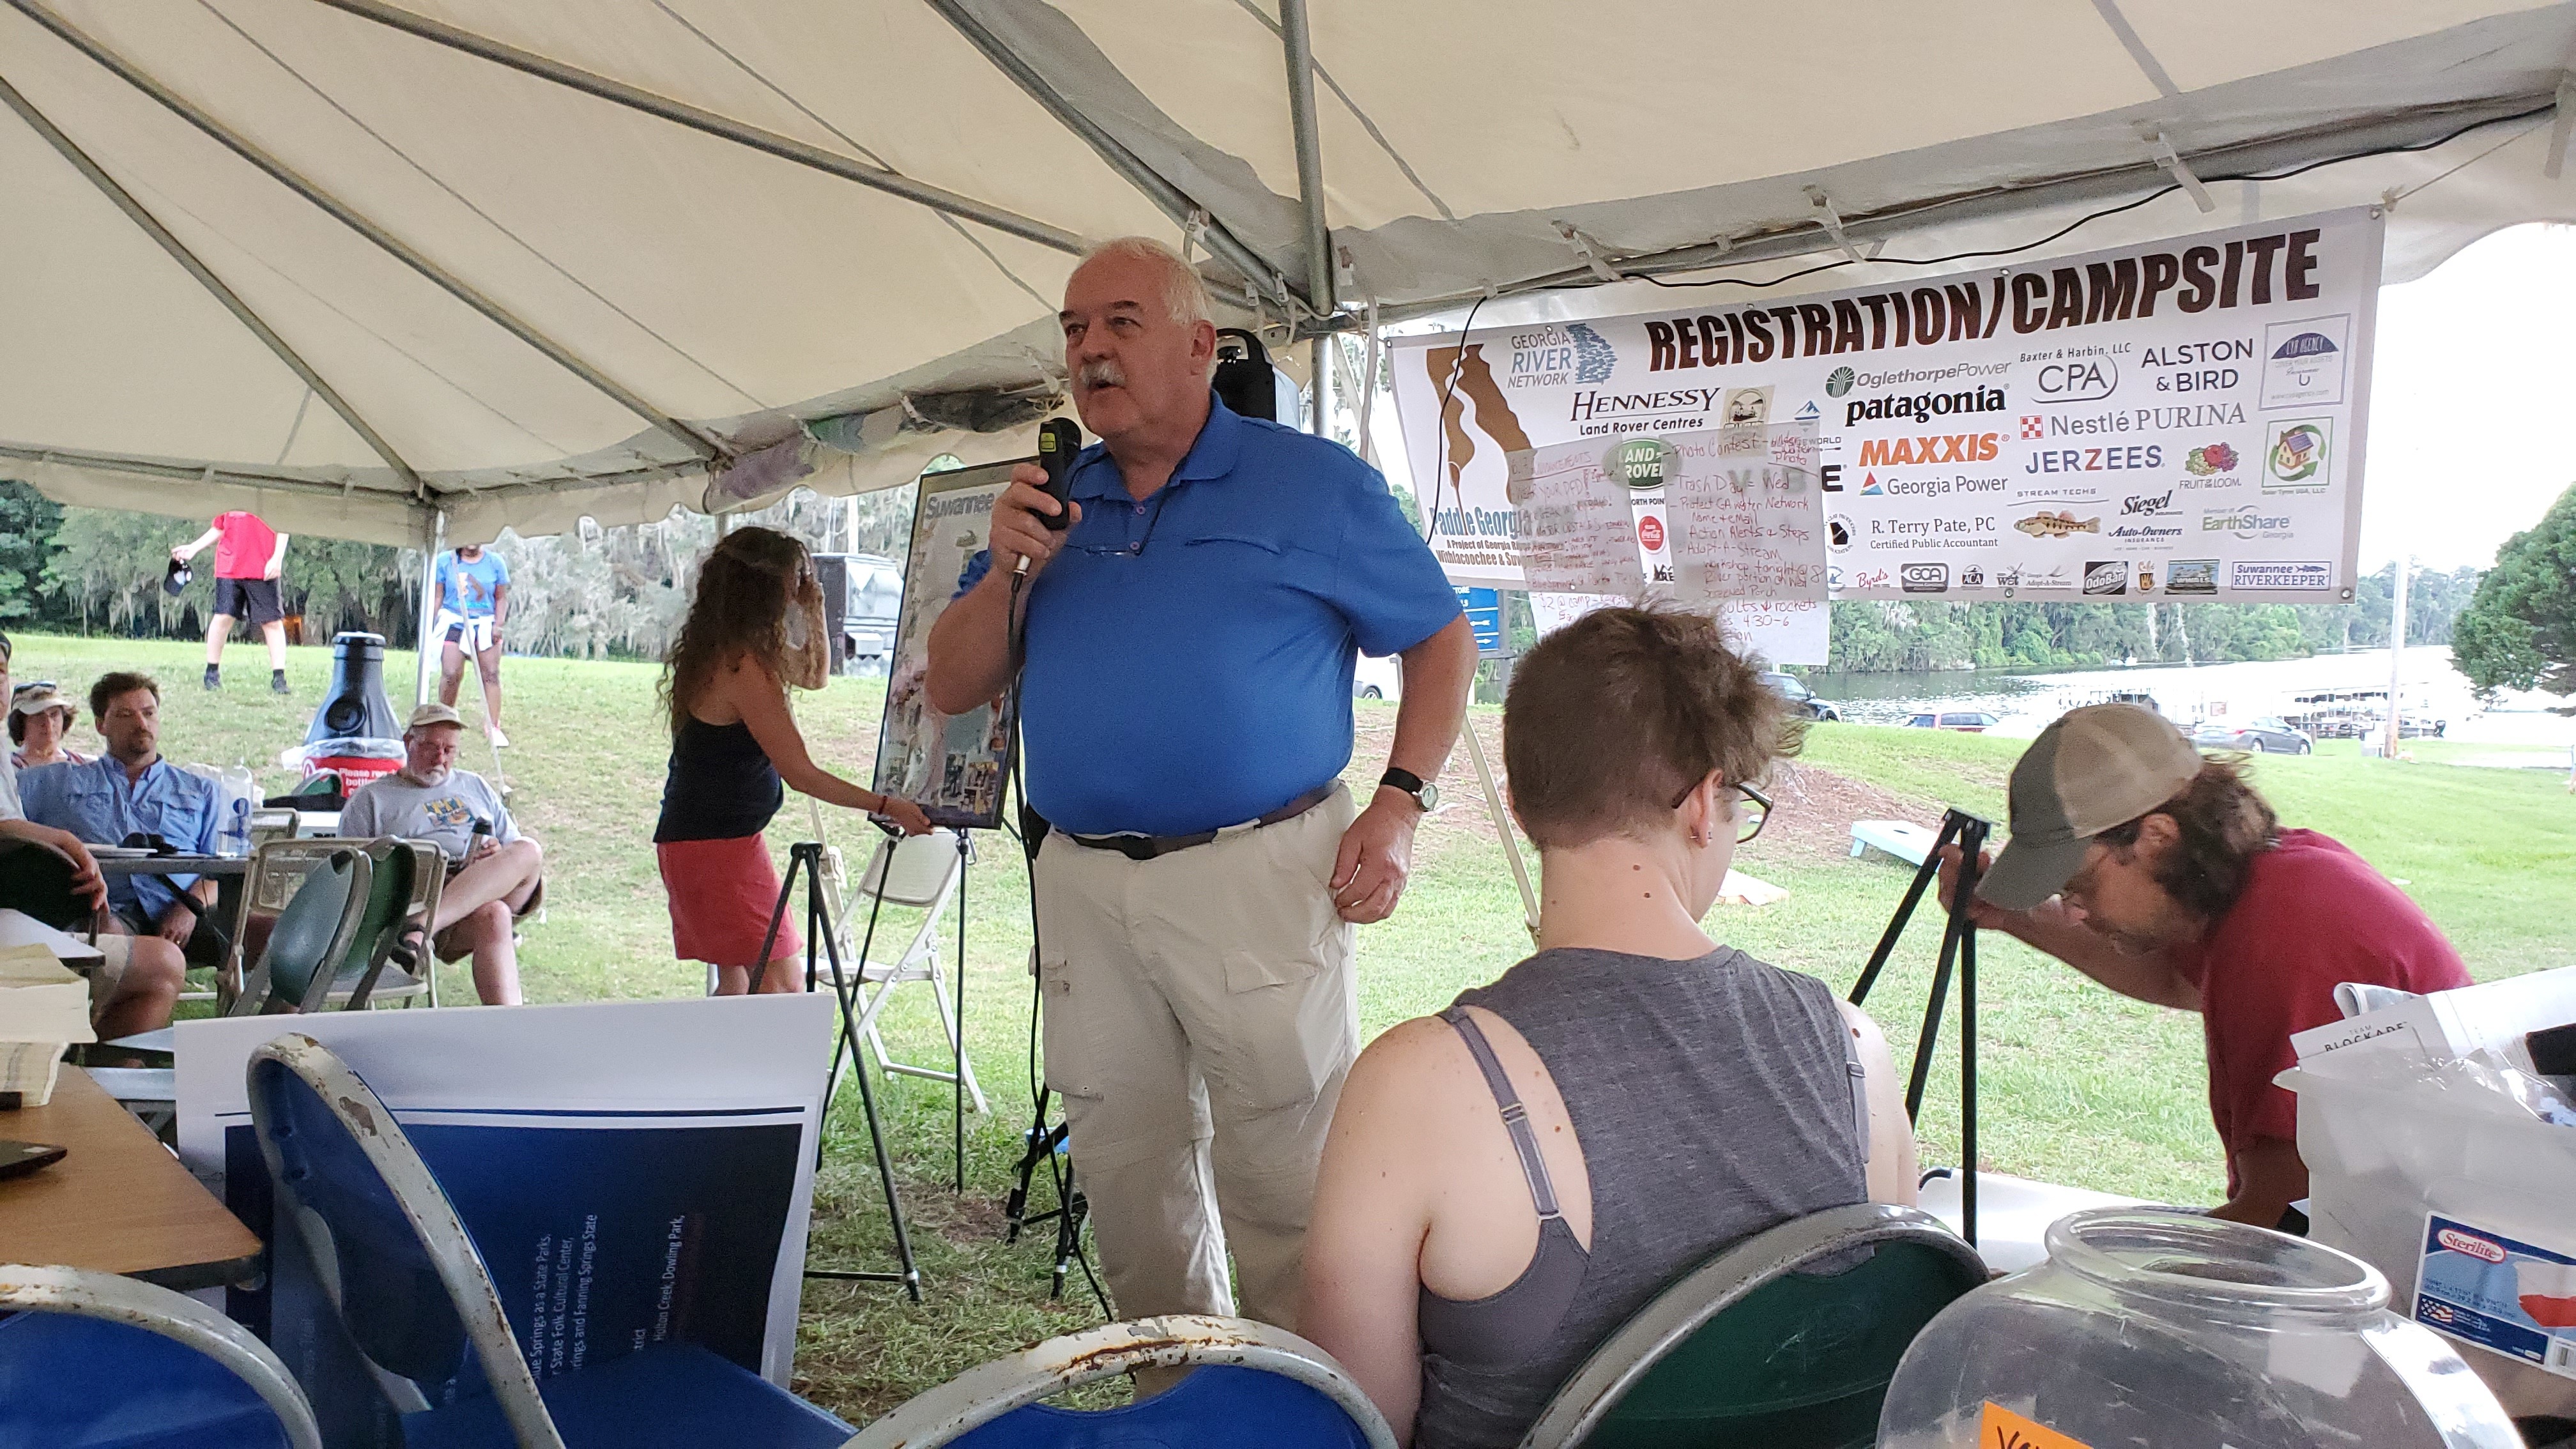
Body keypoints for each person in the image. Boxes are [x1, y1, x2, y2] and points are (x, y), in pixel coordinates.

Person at [924, 236, 1478, 1335]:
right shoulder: (1049, 503)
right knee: (1125, 1169)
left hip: (1257, 872)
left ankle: (1306, 1395)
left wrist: (1400, 800)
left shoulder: (1310, 484)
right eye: (1075, 330)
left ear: (1195, 345)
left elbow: (1442, 638)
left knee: (1285, 1168)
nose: (1090, 350)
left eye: (1119, 323)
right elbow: (951, 682)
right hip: (1082, 878)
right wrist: (1012, 570)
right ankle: (1178, 1394)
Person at [1300, 607, 1915, 1448]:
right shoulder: (1855, 1052)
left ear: (1519, 805)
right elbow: (1892, 1358)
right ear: (1705, 803)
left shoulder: (1416, 1086)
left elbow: (1353, 1426)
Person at [1947, 703, 2471, 1232]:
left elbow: (2284, 1222)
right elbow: (2174, 977)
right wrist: (2014, 917)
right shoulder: (2268, 880)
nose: (2078, 913)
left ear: (2157, 837)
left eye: (2079, 887)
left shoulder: (2284, 932)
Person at [656, 526, 931, 996]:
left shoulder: (728, 648)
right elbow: (800, 773)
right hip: (717, 847)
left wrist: (815, 606)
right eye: (793, 579)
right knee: (781, 990)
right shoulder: (742, 665)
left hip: (708, 842)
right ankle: (761, 1070)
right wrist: (886, 804)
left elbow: (814, 675)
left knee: (741, 984)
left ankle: (725, 1069)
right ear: (764, 587)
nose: (796, 587)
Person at [1, 654, 188, 1039]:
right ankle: (102, 1078)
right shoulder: (53, 781)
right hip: (77, 915)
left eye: (0, 673)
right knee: (161, 964)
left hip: (187, 909)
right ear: (101, 725)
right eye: (125, 715)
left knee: (265, 931)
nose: (141, 724)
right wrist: (70, 847)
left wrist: (190, 905)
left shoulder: (202, 791)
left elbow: (235, 859)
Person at [339, 703, 542, 1005]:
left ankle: (424, 927)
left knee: (529, 850)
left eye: (450, 750)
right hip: (415, 900)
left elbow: (513, 852)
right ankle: (510, 1021)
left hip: (468, 897)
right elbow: (348, 874)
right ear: (408, 743)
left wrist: (493, 856)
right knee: (495, 915)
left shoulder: (474, 786)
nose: (441, 758)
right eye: (431, 747)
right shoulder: (372, 799)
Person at [171, 510, 291, 694]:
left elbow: (284, 525)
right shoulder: (229, 497)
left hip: (263, 566)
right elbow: (220, 527)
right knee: (223, 617)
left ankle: (279, 678)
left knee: (272, 622)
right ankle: (212, 673)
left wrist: (277, 559)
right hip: (229, 566)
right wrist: (194, 548)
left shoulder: (269, 495)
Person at [433, 542, 512, 747]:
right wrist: (429, 624)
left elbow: (501, 598)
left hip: (485, 623)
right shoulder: (445, 561)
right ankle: (444, 720)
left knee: (491, 673)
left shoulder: (495, 563)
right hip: (454, 620)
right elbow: (438, 596)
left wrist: (498, 624)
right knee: (451, 673)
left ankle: (493, 726)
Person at [9, 684, 91, 769]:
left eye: (54, 714)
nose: (49, 724)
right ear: (20, 724)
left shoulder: (85, 766)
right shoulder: (7, 771)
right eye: (38, 716)